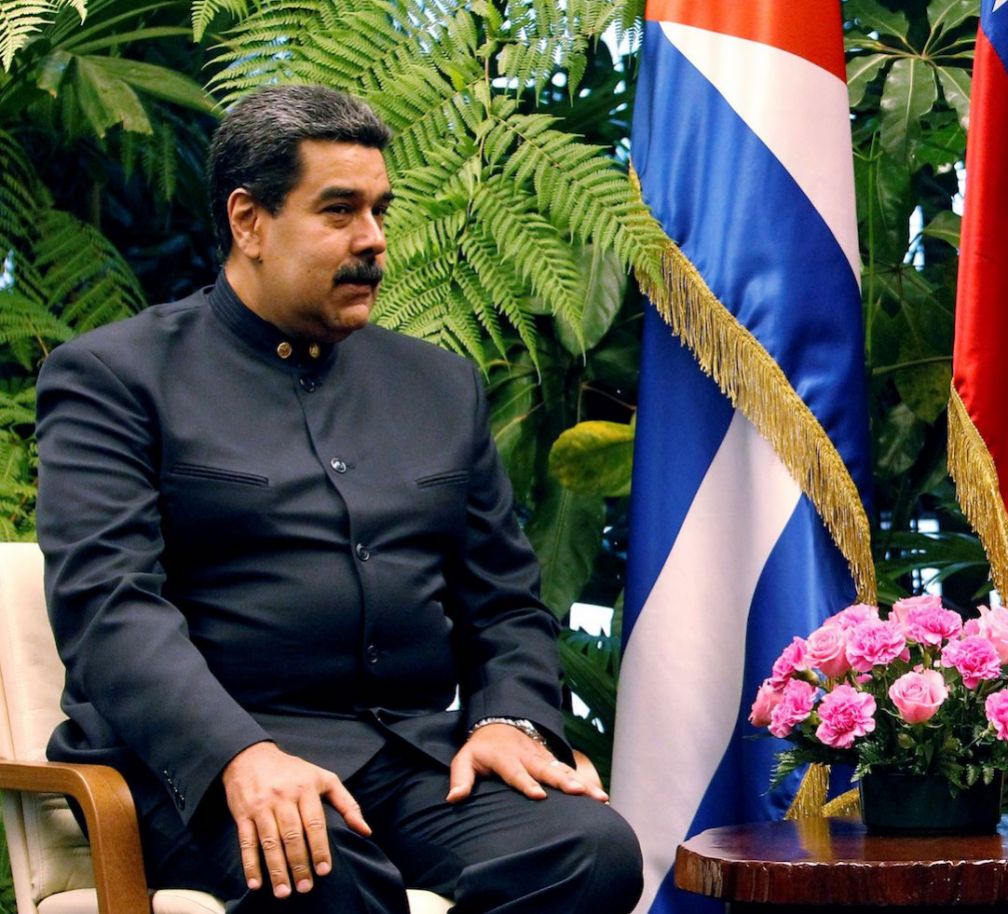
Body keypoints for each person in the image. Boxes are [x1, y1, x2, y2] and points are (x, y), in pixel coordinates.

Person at [34, 84, 643, 912]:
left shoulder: (439, 384)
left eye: (380, 211)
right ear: (248, 221)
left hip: (409, 762)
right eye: (339, 212)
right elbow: (110, 608)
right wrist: (238, 755)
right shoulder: (117, 379)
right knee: (315, 869)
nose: (374, 241)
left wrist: (511, 722)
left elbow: (504, 606)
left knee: (586, 851)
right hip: (203, 774)